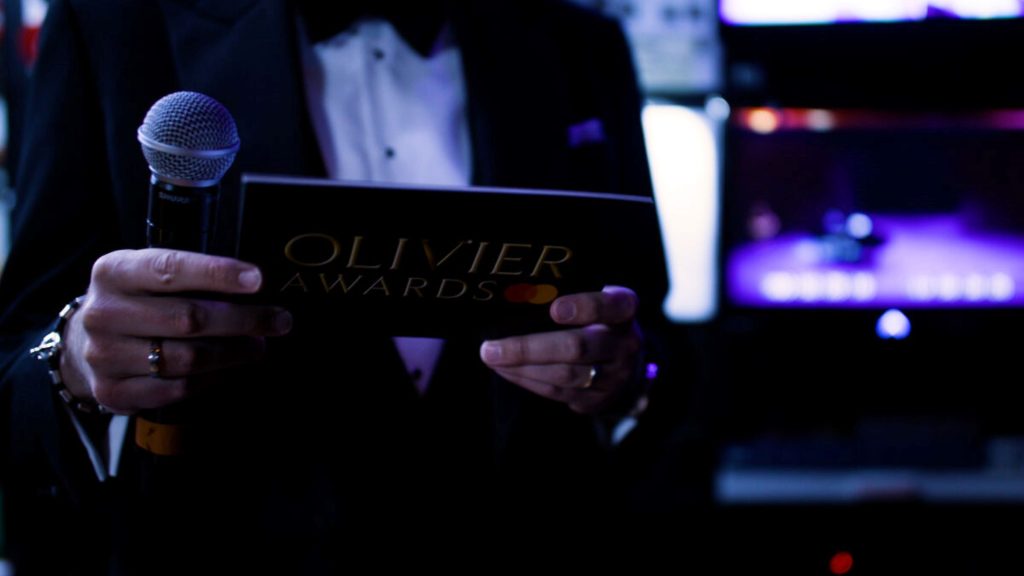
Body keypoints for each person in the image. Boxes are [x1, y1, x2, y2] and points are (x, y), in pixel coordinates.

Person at [0, 0, 673, 573]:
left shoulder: (579, 41)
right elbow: (17, 363)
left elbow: (662, 342)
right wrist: (78, 359)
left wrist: (627, 379)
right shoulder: (112, 21)